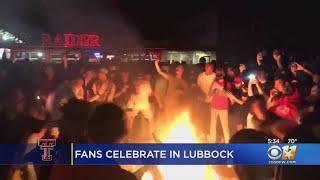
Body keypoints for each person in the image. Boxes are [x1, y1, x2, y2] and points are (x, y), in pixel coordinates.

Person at [154, 60, 188, 126]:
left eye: (179, 68)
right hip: (168, 103)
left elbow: (185, 95)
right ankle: (168, 132)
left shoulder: (184, 82)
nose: (177, 69)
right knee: (168, 120)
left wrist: (181, 92)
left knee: (176, 120)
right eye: (177, 68)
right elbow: (160, 72)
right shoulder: (171, 78)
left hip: (177, 104)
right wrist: (156, 64)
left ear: (182, 70)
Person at [208, 68, 232, 143]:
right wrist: (213, 87)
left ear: (223, 74)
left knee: (225, 127)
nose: (218, 75)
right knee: (212, 126)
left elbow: (227, 95)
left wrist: (219, 87)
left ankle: (228, 143)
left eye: (219, 74)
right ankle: (212, 142)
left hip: (223, 108)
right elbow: (209, 94)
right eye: (217, 74)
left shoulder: (227, 83)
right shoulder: (214, 82)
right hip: (214, 107)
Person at [197, 63, 216, 139]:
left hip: (212, 101)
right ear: (205, 68)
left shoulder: (215, 76)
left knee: (211, 118)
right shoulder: (200, 76)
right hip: (202, 100)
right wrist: (200, 95)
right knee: (202, 117)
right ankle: (203, 132)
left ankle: (209, 133)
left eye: (211, 69)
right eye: (207, 68)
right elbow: (198, 87)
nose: (209, 70)